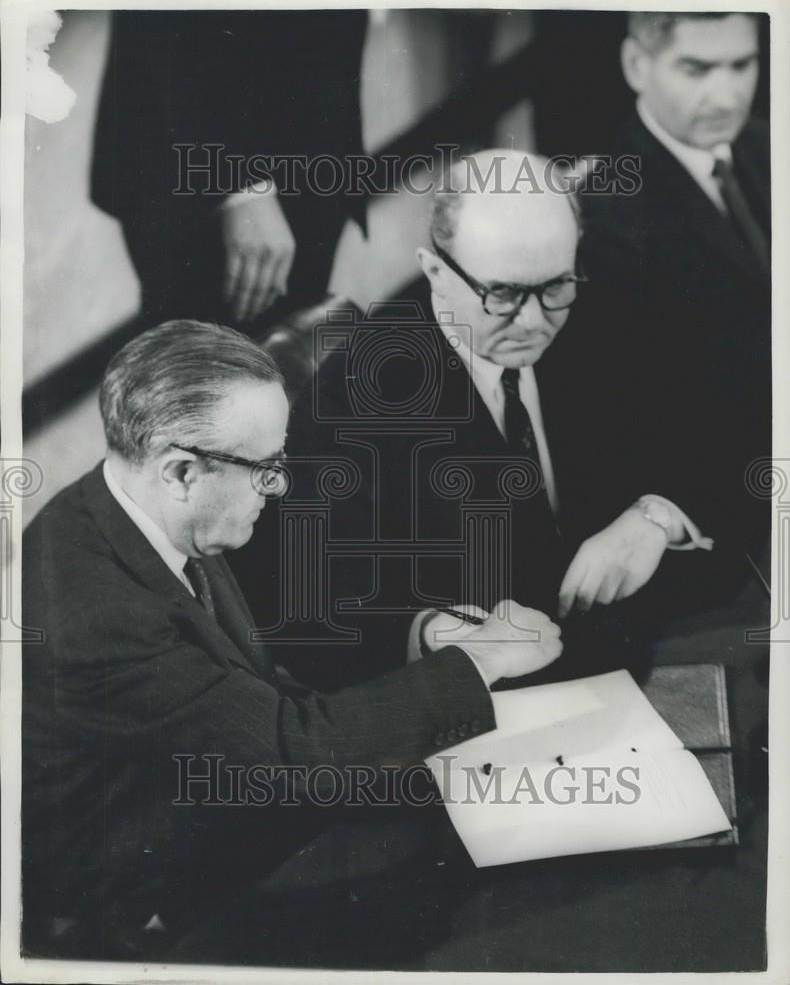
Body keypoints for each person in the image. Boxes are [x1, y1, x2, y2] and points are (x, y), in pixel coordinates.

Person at [21, 319, 563, 961]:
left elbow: (259, 684)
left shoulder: (141, 505)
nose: (279, 487)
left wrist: (431, 642)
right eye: (266, 468)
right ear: (182, 472)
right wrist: (480, 659)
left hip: (216, 800)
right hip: (142, 905)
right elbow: (289, 754)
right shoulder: (98, 614)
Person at [236, 150, 711, 690]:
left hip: (646, 648)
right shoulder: (355, 397)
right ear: (436, 271)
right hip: (490, 696)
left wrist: (657, 516)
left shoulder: (605, 310)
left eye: (555, 287)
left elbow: (715, 433)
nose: (532, 321)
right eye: (502, 293)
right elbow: (309, 610)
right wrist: (430, 632)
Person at [578, 12, 771, 607]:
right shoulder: (606, 217)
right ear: (637, 65)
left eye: (741, 64)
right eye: (697, 68)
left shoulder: (769, 146)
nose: (727, 94)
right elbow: (632, 422)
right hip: (729, 531)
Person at [91, 10, 368, 327]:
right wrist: (240, 184)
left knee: (278, 345)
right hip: (218, 169)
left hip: (299, 161)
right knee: (211, 348)